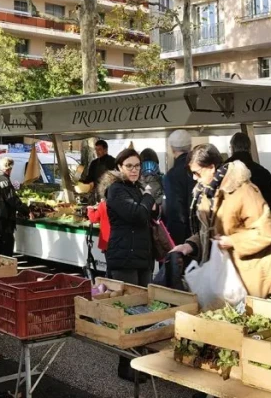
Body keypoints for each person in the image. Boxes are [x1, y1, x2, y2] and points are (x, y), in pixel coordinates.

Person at [172, 144, 271, 298]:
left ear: (211, 167)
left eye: (197, 173)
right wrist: (190, 245)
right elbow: (208, 233)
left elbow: (265, 233)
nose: (194, 178)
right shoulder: (206, 194)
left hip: (246, 278)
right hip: (222, 277)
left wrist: (232, 241)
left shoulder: (245, 191)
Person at [105, 148, 157, 382]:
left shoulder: (135, 189)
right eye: (129, 166)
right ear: (119, 167)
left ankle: (139, 362)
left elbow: (149, 215)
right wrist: (148, 196)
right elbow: (137, 215)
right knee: (128, 313)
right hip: (124, 257)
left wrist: (148, 203)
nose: (135, 170)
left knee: (142, 313)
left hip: (143, 257)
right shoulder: (115, 190)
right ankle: (125, 366)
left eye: (137, 166)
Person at [226, 132, 271, 211]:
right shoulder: (263, 173)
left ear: (232, 148)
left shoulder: (223, 171)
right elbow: (268, 206)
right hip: (256, 220)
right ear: (249, 148)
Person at [163, 130, 196, 245]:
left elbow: (175, 212)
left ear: (172, 149)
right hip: (201, 234)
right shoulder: (201, 169)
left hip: (183, 238)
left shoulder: (172, 175)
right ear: (190, 147)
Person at [0, 158, 25, 256]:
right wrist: (26, 210)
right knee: (6, 244)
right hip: (4, 218)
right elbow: (12, 199)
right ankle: (6, 266)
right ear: (8, 168)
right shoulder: (4, 180)